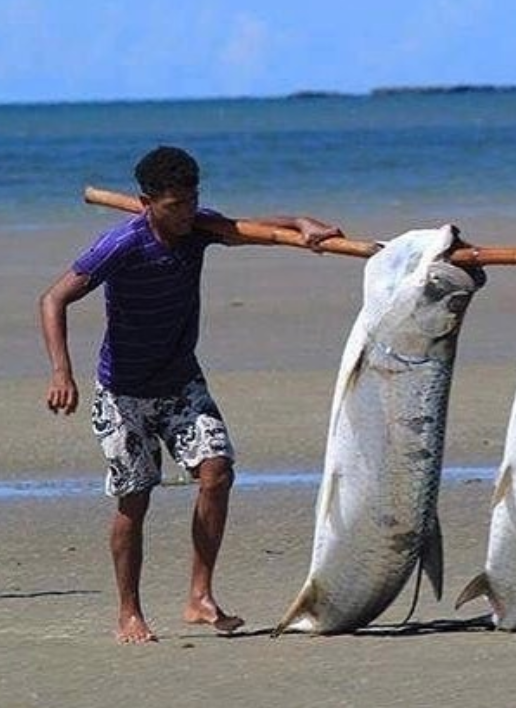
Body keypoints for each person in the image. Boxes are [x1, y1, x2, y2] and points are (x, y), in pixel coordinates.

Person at [40, 146, 343, 644]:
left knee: (217, 472)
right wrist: (61, 372)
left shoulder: (198, 229)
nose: (186, 214)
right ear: (146, 202)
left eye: (192, 201)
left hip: (181, 381)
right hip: (123, 393)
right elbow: (53, 299)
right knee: (134, 501)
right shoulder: (121, 245)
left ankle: (199, 597)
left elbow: (253, 231)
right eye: (174, 205)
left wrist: (301, 222)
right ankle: (129, 613)